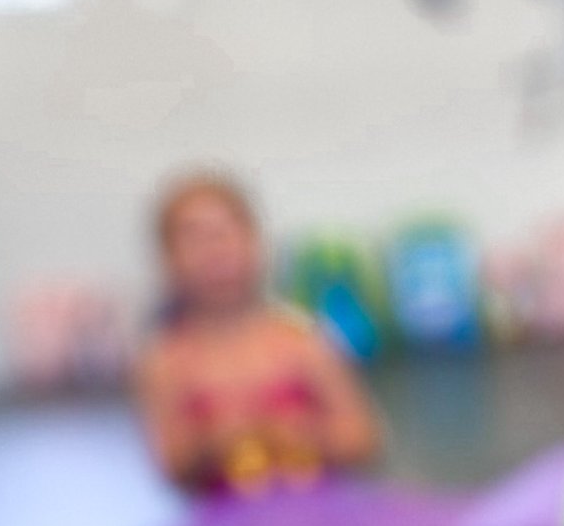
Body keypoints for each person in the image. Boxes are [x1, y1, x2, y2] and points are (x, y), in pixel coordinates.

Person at [134, 172, 381, 497]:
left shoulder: (302, 341)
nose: (214, 251)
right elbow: (172, 465)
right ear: (168, 259)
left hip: (319, 523)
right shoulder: (166, 361)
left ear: (255, 242)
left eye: (224, 233)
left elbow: (363, 438)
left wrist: (301, 434)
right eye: (194, 238)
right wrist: (214, 442)